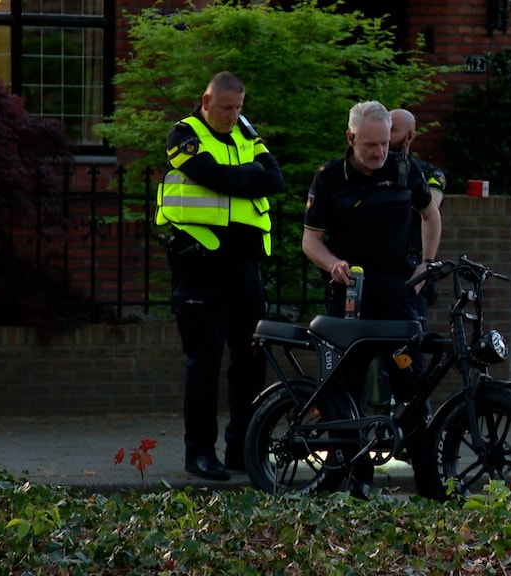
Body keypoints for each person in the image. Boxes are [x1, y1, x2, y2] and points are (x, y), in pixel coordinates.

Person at [302, 101, 441, 498]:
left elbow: (430, 216)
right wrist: (332, 264)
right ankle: (355, 477)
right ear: (351, 138)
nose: (380, 152)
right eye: (370, 145)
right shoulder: (329, 178)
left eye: (384, 143)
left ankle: (430, 485)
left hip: (397, 293)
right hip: (350, 294)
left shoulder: (404, 169)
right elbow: (310, 240)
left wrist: (426, 265)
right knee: (346, 390)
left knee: (413, 388)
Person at [156, 71, 285, 481]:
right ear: (206, 101)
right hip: (201, 266)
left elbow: (276, 179)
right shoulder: (184, 134)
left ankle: (242, 449)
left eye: (238, 108)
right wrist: (249, 176)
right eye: (226, 107)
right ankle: (199, 453)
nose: (233, 115)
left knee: (250, 360)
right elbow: (215, 177)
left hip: (245, 268)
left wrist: (241, 177)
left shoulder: (246, 133)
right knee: (205, 361)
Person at [390, 108, 447, 328]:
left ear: (410, 136)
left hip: (411, 268)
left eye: (393, 130)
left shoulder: (428, 173)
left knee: (412, 338)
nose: (386, 134)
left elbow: (431, 205)